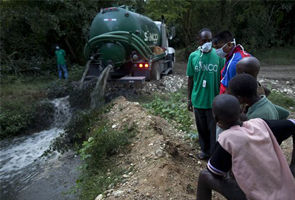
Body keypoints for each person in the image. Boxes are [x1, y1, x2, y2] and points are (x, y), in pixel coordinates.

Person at [196, 94, 295, 200]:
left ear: (216, 119)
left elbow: (215, 172)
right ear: (240, 111)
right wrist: (293, 165)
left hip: (257, 197)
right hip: (287, 193)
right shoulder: (260, 124)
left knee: (204, 176)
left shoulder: (227, 139)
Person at [187, 28, 225, 160]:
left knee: (213, 130)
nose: (207, 43)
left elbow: (223, 79)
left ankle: (213, 155)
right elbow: (190, 78)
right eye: (204, 40)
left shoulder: (219, 56)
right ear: (199, 41)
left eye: (210, 40)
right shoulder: (193, 56)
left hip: (213, 101)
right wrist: (189, 99)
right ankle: (204, 151)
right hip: (198, 100)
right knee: (201, 129)